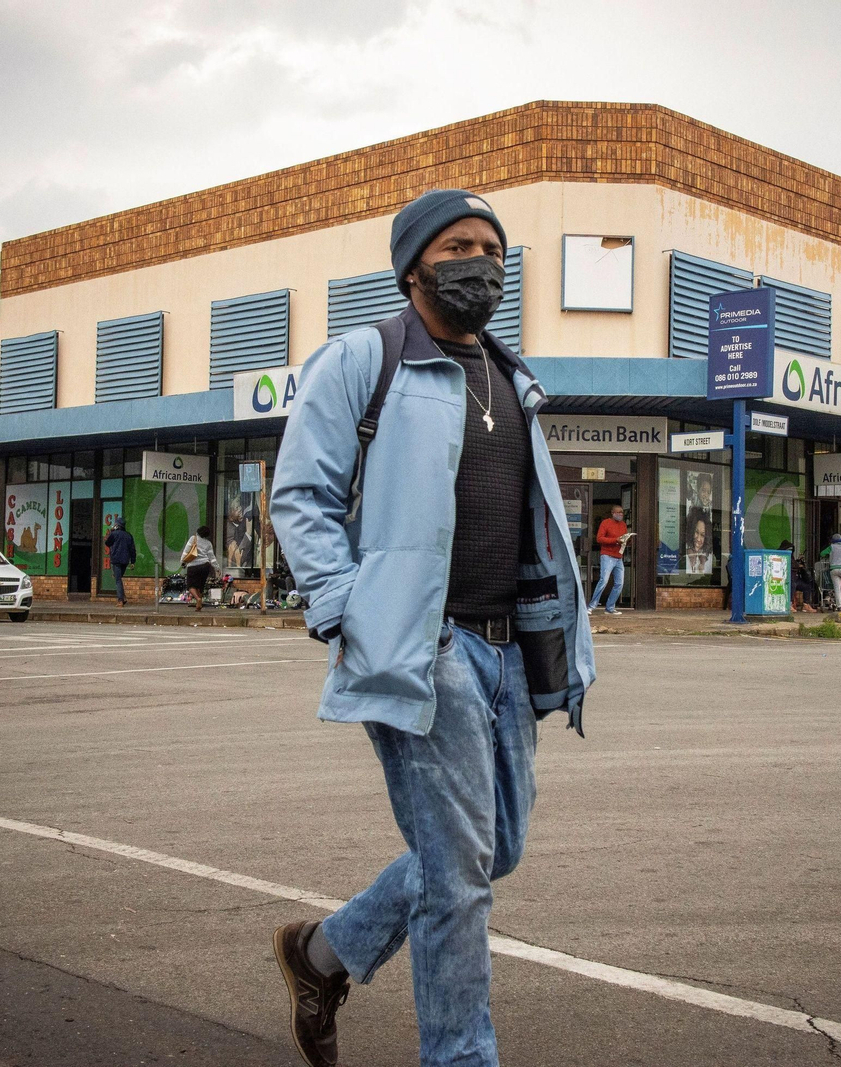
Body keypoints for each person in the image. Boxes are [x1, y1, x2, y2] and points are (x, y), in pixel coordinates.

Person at [269, 188, 594, 1067]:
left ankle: (323, 952)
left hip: (509, 650)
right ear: (415, 263)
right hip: (424, 645)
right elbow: (301, 496)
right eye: (460, 245)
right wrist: (347, 610)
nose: (482, 263)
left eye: (494, 249)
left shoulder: (511, 377)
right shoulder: (361, 361)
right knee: (457, 880)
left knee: (497, 850)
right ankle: (460, 1056)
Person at [587, 503, 628, 615]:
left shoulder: (623, 524)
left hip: (619, 557)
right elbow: (599, 539)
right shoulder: (605, 523)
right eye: (618, 512)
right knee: (603, 580)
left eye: (622, 512)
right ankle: (591, 606)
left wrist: (626, 540)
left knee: (619, 583)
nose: (620, 514)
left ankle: (610, 607)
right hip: (607, 555)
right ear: (612, 513)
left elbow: (623, 538)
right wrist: (615, 540)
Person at [180, 525, 218, 612]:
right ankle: (198, 606)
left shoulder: (193, 538)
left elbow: (186, 551)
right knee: (200, 586)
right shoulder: (208, 543)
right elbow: (212, 557)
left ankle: (198, 599)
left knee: (191, 586)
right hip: (205, 565)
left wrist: (182, 562)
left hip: (193, 566)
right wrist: (217, 568)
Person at [104, 517, 136, 606]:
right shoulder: (128, 535)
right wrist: (133, 561)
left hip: (116, 559)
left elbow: (107, 543)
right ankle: (123, 597)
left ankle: (120, 600)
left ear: (116, 525)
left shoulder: (114, 534)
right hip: (125, 560)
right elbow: (132, 549)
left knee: (118, 579)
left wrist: (111, 531)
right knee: (119, 578)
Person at [827, 533, 841, 607]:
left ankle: (839, 605)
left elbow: (822, 553)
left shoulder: (831, 547)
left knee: (837, 587)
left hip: (833, 570)